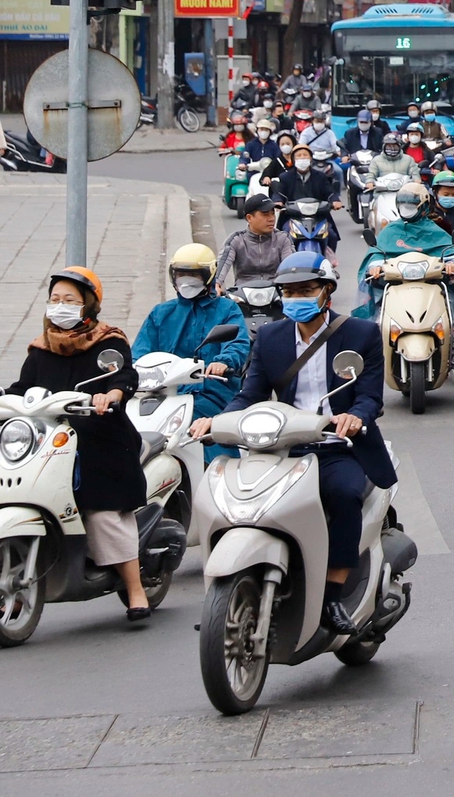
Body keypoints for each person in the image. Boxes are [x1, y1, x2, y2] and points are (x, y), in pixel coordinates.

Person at [194, 252, 394, 634]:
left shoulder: (361, 334)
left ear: (326, 293)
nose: (296, 298)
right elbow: (249, 394)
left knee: (344, 494)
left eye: (305, 290)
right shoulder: (270, 337)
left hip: (337, 445)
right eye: (288, 292)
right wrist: (216, 421)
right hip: (282, 447)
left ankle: (334, 594)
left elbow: (370, 397)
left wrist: (354, 417)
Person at [8, 267, 149, 620]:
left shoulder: (108, 341)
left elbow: (123, 375)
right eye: (55, 300)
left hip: (100, 440)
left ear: (88, 305)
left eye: (70, 300)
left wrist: (111, 394)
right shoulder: (42, 348)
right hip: (50, 443)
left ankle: (135, 589)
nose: (61, 306)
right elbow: (22, 389)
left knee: (102, 514)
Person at [354, 183, 454, 398]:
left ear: (423, 205)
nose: (407, 208)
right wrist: (375, 266)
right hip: (397, 289)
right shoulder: (391, 231)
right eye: (403, 204)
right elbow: (376, 252)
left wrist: (452, 262)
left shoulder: (436, 229)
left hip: (432, 288)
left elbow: (451, 249)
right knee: (373, 328)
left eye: (412, 204)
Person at [133, 244, 253, 456]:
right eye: (181, 275)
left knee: (211, 446)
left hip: (210, 393)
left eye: (193, 275)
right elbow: (140, 353)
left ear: (208, 276)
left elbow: (237, 342)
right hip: (164, 393)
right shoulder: (161, 313)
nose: (186, 280)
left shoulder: (227, 309)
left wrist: (224, 362)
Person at [216, 194, 297, 292]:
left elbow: (292, 267)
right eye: (265, 214)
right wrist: (217, 284)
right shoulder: (236, 240)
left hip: (275, 295)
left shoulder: (283, 238)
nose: (271, 218)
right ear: (249, 218)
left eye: (273, 213)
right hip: (243, 295)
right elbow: (222, 265)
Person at [274, 143, 339, 206]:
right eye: (298, 155)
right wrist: (278, 201)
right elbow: (279, 193)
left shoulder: (320, 176)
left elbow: (329, 192)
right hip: (292, 212)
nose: (302, 158)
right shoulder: (285, 177)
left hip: (318, 212)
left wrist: (335, 200)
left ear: (311, 158)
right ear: (294, 159)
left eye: (305, 155)